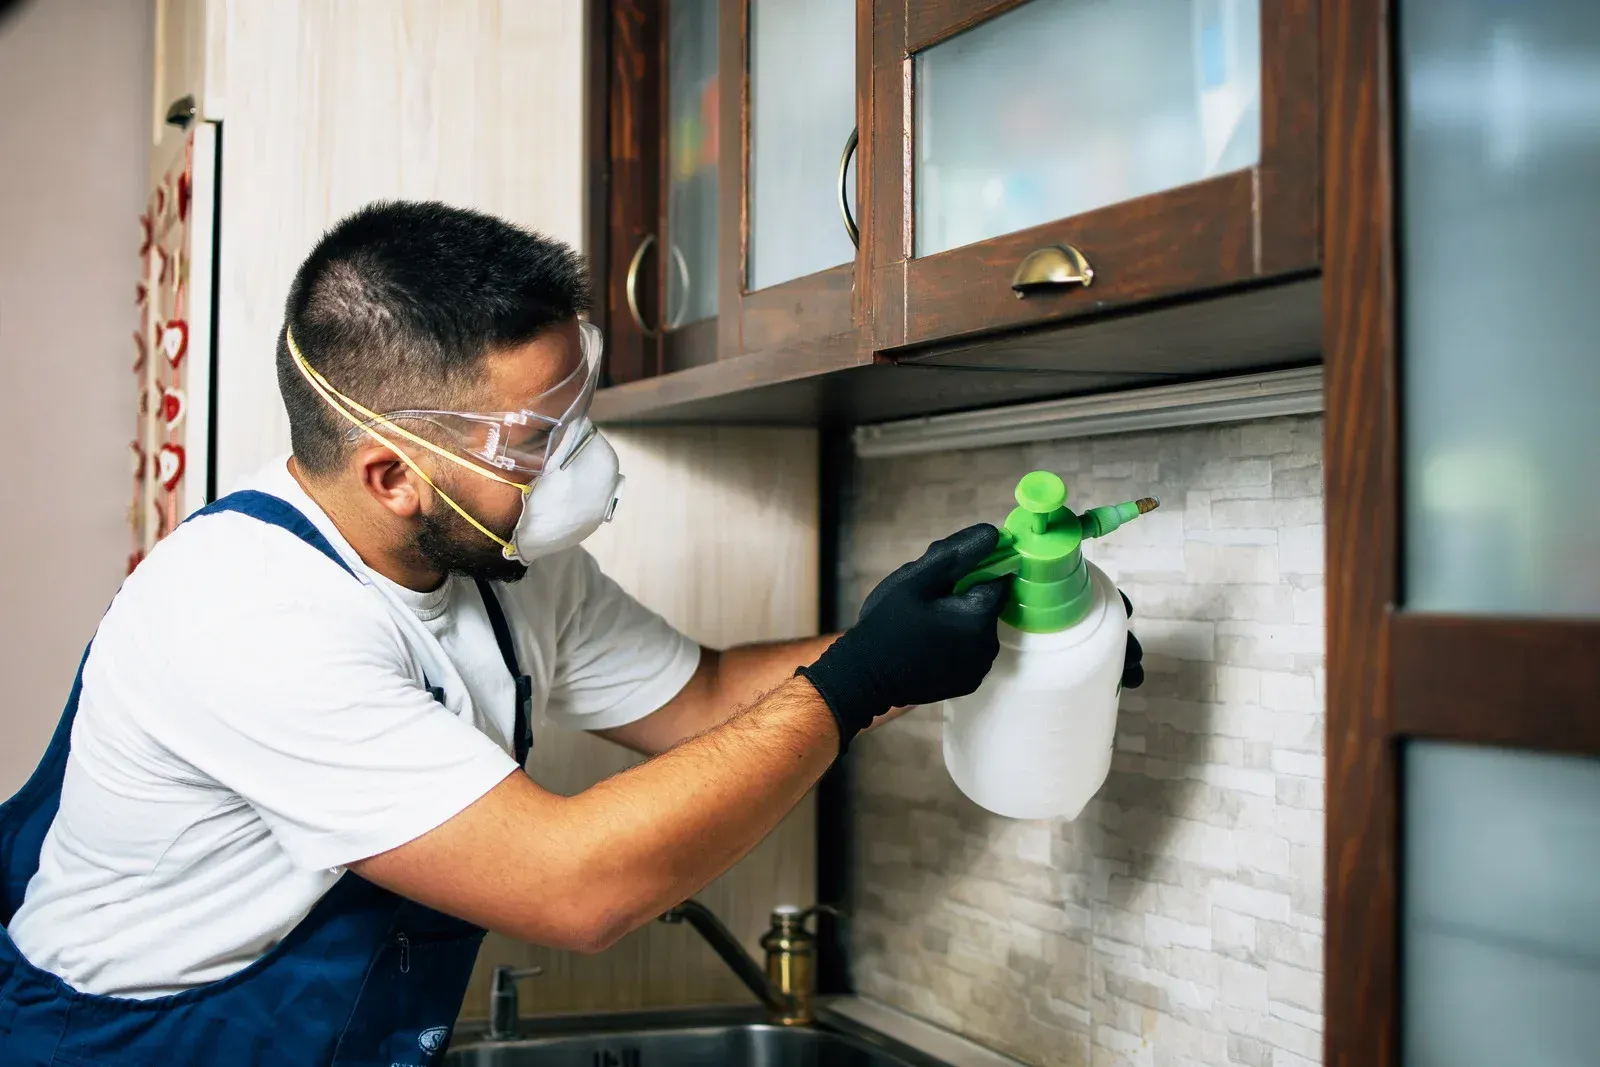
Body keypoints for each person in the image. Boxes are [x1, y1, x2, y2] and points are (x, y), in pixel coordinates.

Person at [0, 202, 1141, 1066]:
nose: (582, 464)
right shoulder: (249, 619)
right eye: (538, 439)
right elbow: (573, 888)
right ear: (393, 473)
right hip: (139, 1042)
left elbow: (699, 701)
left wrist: (955, 641)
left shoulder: (502, 561)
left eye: (576, 411)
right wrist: (851, 687)